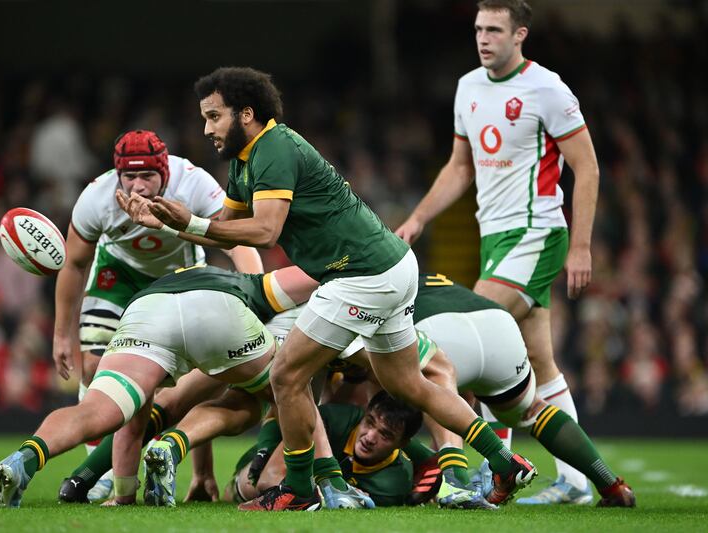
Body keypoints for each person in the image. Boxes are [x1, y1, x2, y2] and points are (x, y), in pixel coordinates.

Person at [117, 66, 537, 511]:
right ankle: (504, 460)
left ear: (246, 113)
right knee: (408, 383)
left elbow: (264, 232)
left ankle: (298, 491)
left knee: (285, 375)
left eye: (214, 116)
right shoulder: (245, 164)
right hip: (389, 266)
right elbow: (226, 229)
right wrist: (169, 223)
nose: (207, 129)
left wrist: (193, 223)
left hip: (362, 274)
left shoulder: (274, 146)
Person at [395, 0, 600, 504]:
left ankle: (496, 472)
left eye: (494, 30)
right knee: (539, 362)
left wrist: (581, 246)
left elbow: (588, 167)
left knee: (477, 336)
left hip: (537, 233)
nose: (483, 38)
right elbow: (460, 167)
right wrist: (420, 217)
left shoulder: (547, 89)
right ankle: (576, 483)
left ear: (520, 35)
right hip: (494, 237)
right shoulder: (469, 87)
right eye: (478, 29)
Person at [0, 264, 313, 508]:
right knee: (277, 396)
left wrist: (124, 497)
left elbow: (133, 424)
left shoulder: (181, 275)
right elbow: (313, 277)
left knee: (99, 410)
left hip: (146, 309)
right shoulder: (259, 282)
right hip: (221, 313)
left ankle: (24, 459)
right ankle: (328, 482)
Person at [52, 129, 262, 498]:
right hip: (119, 274)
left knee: (190, 376)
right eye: (129, 177)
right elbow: (74, 265)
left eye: (147, 176)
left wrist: (256, 294)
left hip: (176, 275)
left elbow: (235, 240)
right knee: (92, 367)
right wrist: (61, 334)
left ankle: (201, 473)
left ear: (165, 172)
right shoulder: (96, 198)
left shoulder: (194, 183)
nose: (138, 187)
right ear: (117, 175)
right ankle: (99, 473)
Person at [330, 274, 635, 508]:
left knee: (430, 390)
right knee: (532, 410)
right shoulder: (423, 277)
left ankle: (456, 481)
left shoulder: (370, 289)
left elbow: (369, 395)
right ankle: (612, 486)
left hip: (437, 330)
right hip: (497, 324)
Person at [234, 391, 428, 507]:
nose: (369, 437)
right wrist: (265, 446)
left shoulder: (393, 484)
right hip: (256, 467)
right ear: (364, 413)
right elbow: (288, 412)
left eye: (385, 435)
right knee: (257, 485)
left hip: (301, 484)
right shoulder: (337, 418)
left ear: (403, 444)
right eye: (369, 422)